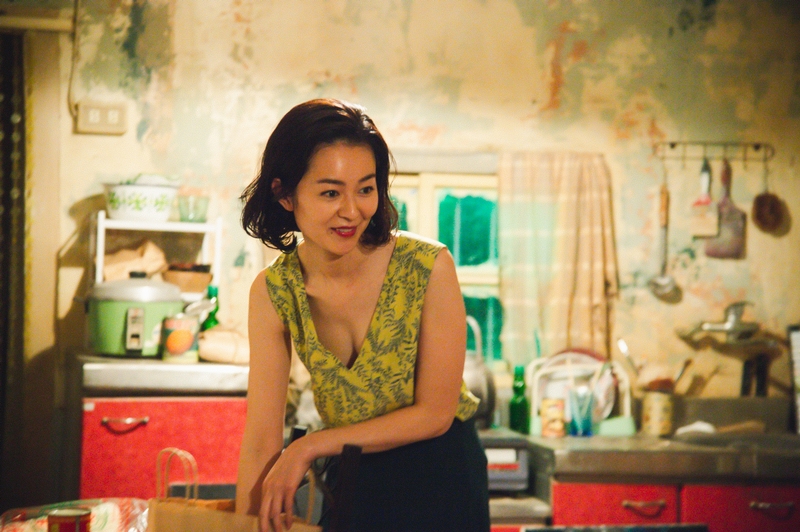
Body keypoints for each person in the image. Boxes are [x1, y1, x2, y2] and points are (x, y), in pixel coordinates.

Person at [236, 98, 490, 532]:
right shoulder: (274, 291)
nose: (352, 211)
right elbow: (261, 441)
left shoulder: (427, 265)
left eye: (366, 189)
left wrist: (308, 447)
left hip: (443, 478)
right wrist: (242, 526)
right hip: (354, 481)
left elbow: (435, 414)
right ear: (284, 194)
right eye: (330, 192)